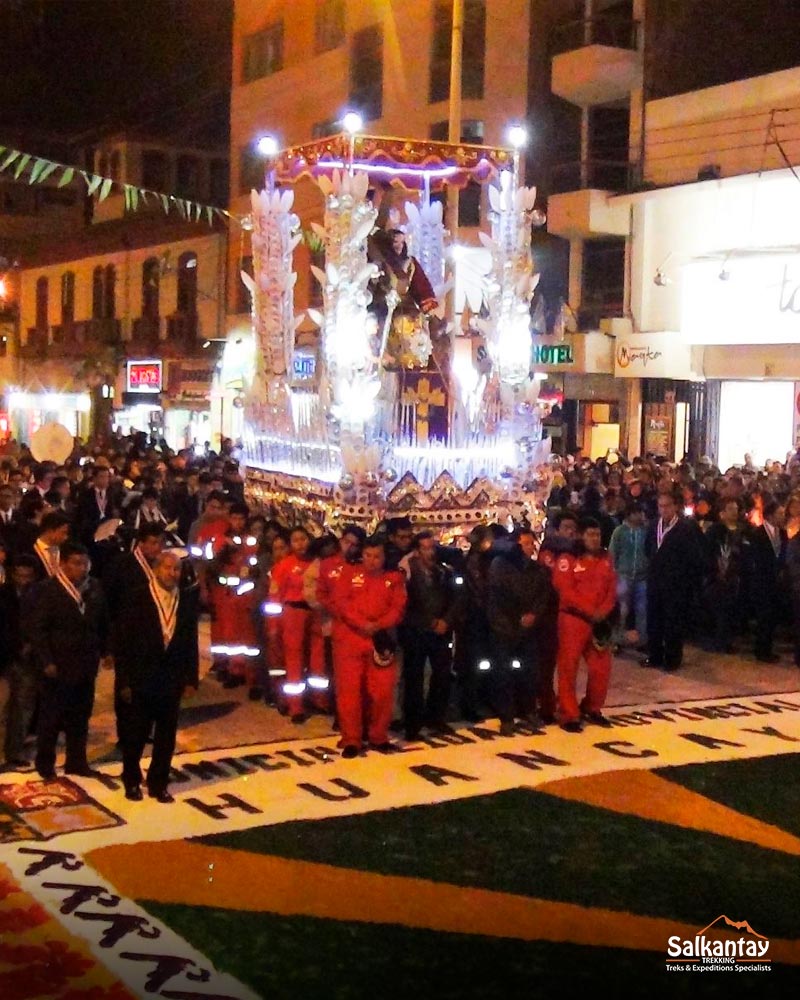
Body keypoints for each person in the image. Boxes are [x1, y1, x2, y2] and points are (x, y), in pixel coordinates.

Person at [113, 550, 199, 802]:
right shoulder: (137, 597)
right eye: (168, 568)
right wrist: (125, 680)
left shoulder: (184, 599)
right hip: (141, 677)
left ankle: (158, 782)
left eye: (177, 570)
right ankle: (131, 780)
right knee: (136, 734)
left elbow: (189, 640)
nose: (172, 574)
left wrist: (190, 678)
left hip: (170, 678)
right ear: (155, 569)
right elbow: (123, 642)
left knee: (166, 736)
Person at [28, 541, 109, 780]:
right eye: (76, 563)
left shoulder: (94, 587)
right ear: (63, 564)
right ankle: (45, 763)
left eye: (85, 563)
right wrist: (46, 660)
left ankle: (77, 761)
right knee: (51, 718)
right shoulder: (48, 590)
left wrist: (106, 650)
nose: (82, 568)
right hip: (58, 665)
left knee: (80, 716)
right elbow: (38, 629)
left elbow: (102, 622)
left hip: (86, 664)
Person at [329, 538, 407, 757]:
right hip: (349, 640)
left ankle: (378, 735)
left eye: (377, 556)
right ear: (362, 555)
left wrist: (379, 625)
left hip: (380, 641)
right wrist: (362, 624)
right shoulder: (347, 573)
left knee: (382, 691)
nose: (372, 561)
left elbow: (398, 607)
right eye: (368, 555)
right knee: (349, 692)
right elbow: (341, 604)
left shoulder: (394, 578)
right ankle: (351, 738)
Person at [487, 528, 556, 736]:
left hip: (527, 630)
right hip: (504, 628)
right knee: (503, 674)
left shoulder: (537, 570)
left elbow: (543, 595)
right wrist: (517, 618)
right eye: (526, 543)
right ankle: (507, 717)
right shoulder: (500, 566)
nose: (531, 547)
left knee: (530, 672)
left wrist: (533, 614)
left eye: (531, 543)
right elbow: (499, 597)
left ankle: (528, 710)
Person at [552, 517, 618, 732]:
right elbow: (565, 590)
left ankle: (592, 707)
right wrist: (592, 612)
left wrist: (604, 611)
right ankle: (569, 714)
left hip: (598, 621)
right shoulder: (568, 558)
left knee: (602, 668)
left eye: (597, 535)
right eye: (590, 534)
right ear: (581, 535)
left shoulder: (605, 558)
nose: (594, 539)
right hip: (573, 620)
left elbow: (611, 588)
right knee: (568, 668)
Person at [398, 531, 463, 740]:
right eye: (425, 548)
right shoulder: (407, 570)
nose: (430, 552)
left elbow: (455, 598)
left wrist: (446, 620)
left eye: (432, 547)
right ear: (417, 551)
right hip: (416, 632)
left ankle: (436, 717)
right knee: (414, 679)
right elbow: (404, 605)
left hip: (440, 631)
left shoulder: (442, 571)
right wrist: (429, 621)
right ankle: (413, 724)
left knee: (442, 675)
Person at [644, 489, 706, 672]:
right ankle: (654, 655)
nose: (663, 510)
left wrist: (686, 579)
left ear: (675, 507)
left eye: (667, 506)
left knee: (673, 622)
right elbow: (648, 549)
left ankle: (672, 659)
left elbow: (695, 557)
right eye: (660, 506)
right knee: (654, 620)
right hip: (656, 581)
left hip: (676, 584)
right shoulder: (654, 525)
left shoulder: (686, 528)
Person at [269, 526, 322, 721]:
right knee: (294, 659)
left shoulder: (317, 563)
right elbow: (274, 597)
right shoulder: (284, 566)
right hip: (293, 613)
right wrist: (274, 625)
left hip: (315, 613)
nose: (300, 543)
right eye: (296, 540)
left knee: (317, 661)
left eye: (303, 539)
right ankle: (296, 706)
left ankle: (318, 700)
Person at [536, 511, 579, 723]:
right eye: (566, 528)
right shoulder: (549, 551)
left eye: (573, 528)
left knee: (568, 664)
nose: (570, 532)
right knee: (546, 662)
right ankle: (545, 705)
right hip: (549, 613)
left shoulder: (579, 552)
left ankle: (567, 704)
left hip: (572, 616)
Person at [0, 556, 38, 769]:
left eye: (27, 576)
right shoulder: (3, 594)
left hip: (28, 660)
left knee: (22, 708)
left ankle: (13, 752)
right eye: (19, 575)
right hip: (5, 657)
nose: (23, 580)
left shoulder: (39, 594)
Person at [746, 498, 787, 663]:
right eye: (780, 513)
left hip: (776, 580)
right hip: (762, 580)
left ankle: (767, 647)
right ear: (769, 515)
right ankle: (761, 649)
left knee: (772, 616)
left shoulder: (782, 533)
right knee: (764, 616)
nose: (782, 516)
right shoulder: (758, 533)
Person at [703, 497, 746, 654]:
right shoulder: (715, 531)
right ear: (722, 513)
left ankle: (728, 638)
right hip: (718, 577)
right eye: (730, 509)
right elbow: (708, 553)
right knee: (720, 611)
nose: (735, 512)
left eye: (736, 508)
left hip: (736, 576)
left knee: (732, 610)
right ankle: (720, 641)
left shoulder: (743, 529)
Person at [607, 501, 649, 652]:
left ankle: (642, 640)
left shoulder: (645, 531)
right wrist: (614, 572)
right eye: (637, 512)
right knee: (622, 610)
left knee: (642, 609)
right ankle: (618, 639)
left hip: (642, 576)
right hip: (623, 575)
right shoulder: (620, 531)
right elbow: (613, 553)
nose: (640, 516)